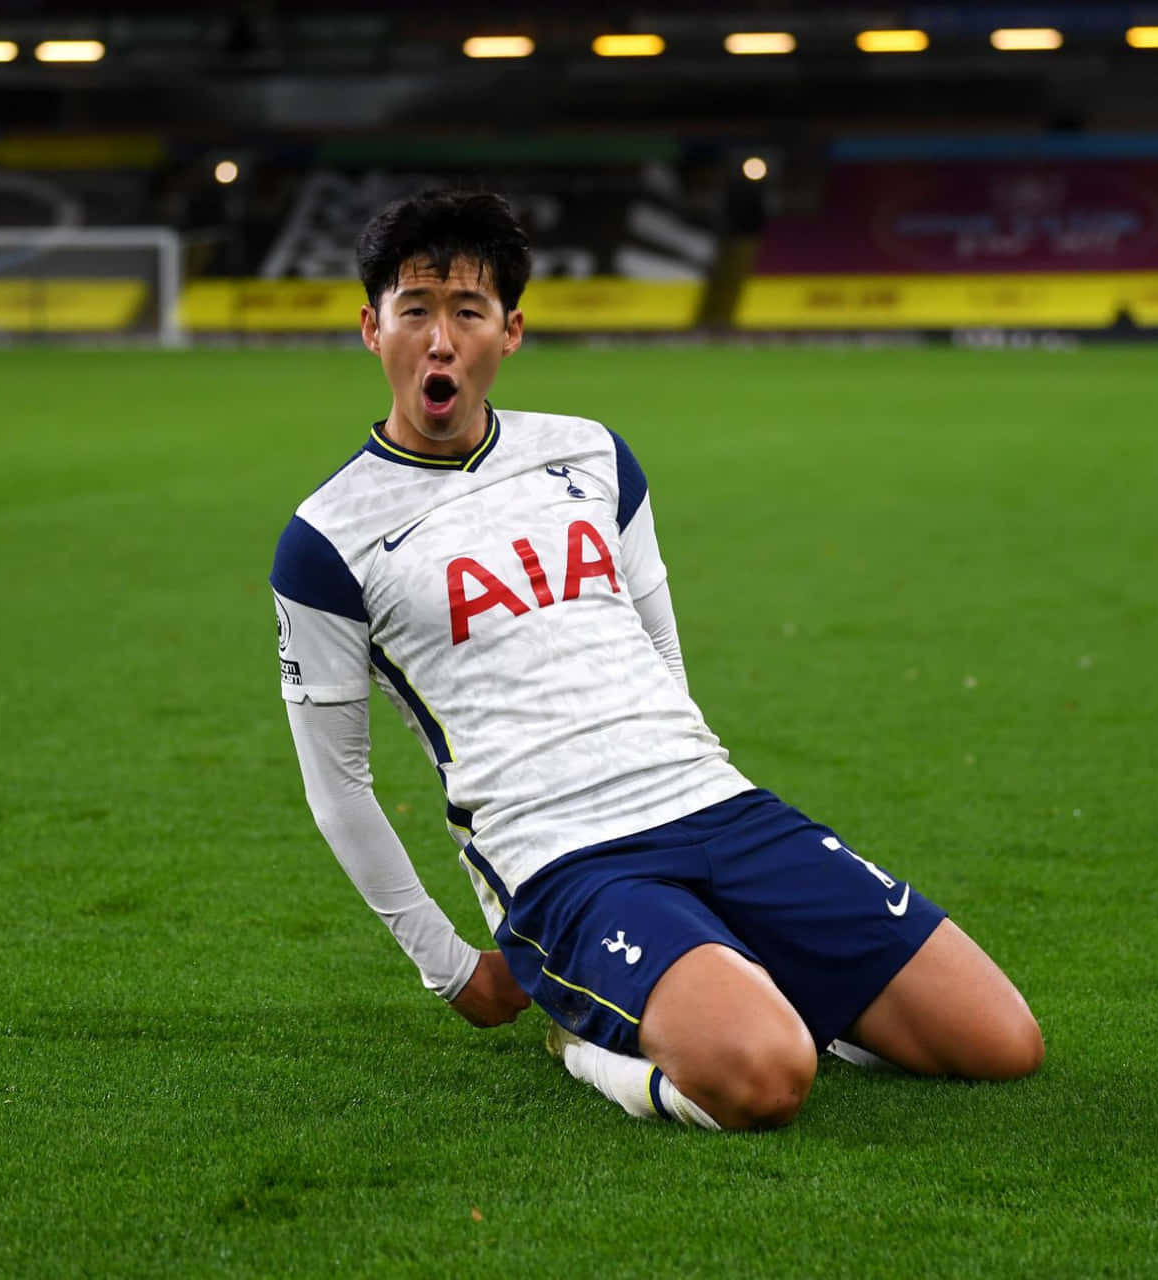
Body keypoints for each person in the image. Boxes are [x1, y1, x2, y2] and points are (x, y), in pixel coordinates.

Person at [271, 190, 1042, 1132]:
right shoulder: (325, 539)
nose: (441, 340)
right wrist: (449, 963)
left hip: (711, 803)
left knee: (1003, 1045)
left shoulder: (592, 455)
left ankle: (738, 977)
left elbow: (657, 643)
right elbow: (337, 783)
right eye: (415, 311)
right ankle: (592, 1047)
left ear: (508, 331)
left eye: (467, 312)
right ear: (371, 328)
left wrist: (690, 773)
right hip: (565, 857)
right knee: (764, 1078)